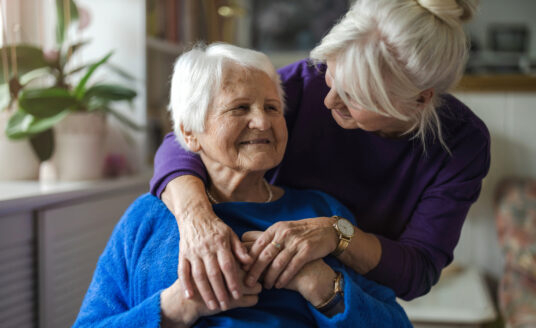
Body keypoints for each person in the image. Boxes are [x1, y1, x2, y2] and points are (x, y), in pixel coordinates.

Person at [150, 0, 490, 310]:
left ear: (420, 100)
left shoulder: (461, 143)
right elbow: (183, 138)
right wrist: (198, 221)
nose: (328, 101)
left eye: (354, 96)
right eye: (331, 76)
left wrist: (339, 236)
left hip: (347, 297)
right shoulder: (306, 82)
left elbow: (418, 271)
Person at [73, 43, 411, 327]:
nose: (262, 121)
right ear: (189, 132)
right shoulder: (147, 217)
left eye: (271, 107)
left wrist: (320, 284)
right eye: (239, 108)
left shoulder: (322, 214)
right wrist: (178, 306)